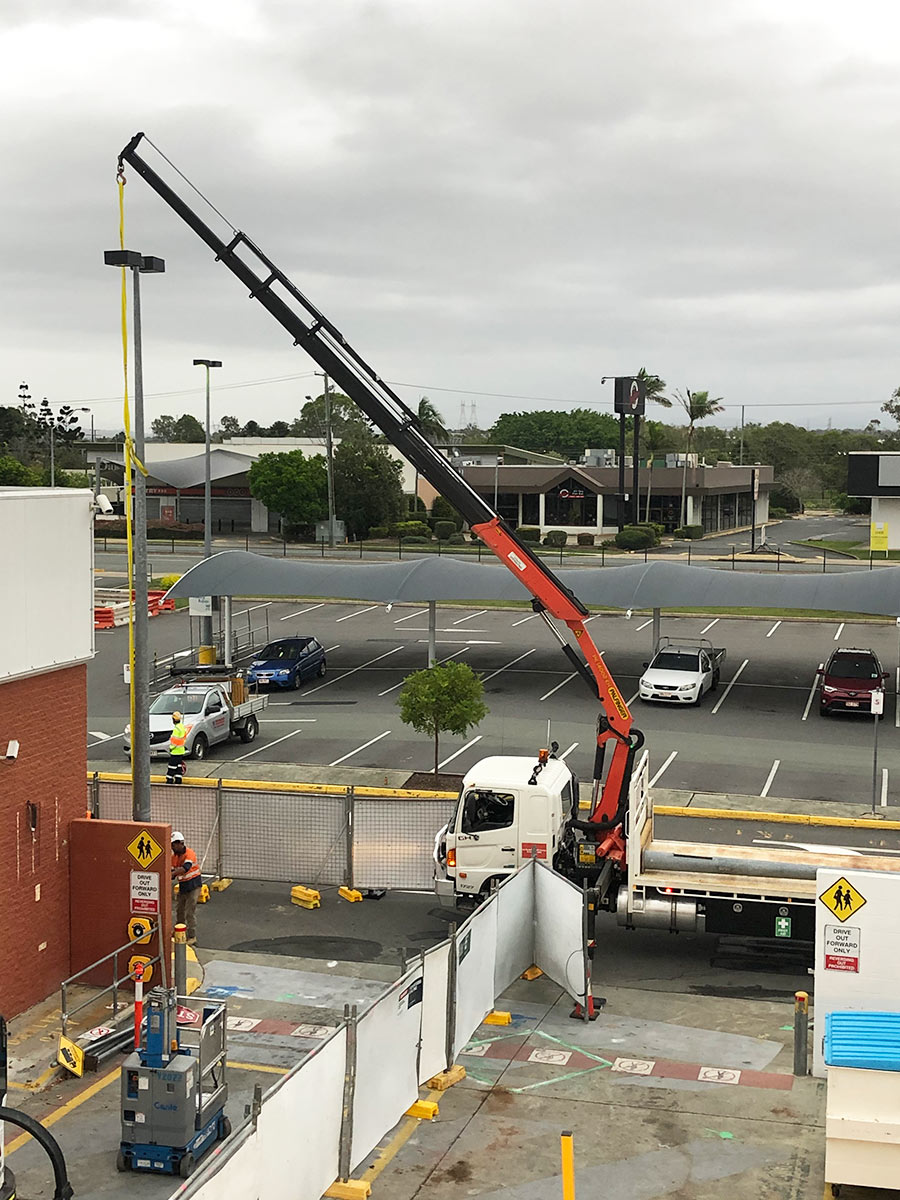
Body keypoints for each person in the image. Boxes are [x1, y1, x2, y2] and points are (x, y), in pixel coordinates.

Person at [171, 832, 202, 945]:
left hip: (194, 885)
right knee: (180, 910)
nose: (172, 847)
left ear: (180, 843)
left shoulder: (190, 854)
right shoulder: (174, 857)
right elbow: (171, 870)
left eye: (173, 845)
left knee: (190, 911)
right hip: (183, 886)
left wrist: (172, 874)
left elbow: (186, 868)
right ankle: (179, 931)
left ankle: (192, 936)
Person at [167, 711, 187, 784]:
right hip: (181, 751)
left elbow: (174, 742)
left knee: (171, 766)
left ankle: (169, 779)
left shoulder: (176, 729)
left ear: (174, 720)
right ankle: (178, 779)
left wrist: (171, 748)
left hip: (175, 751)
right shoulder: (182, 727)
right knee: (178, 766)